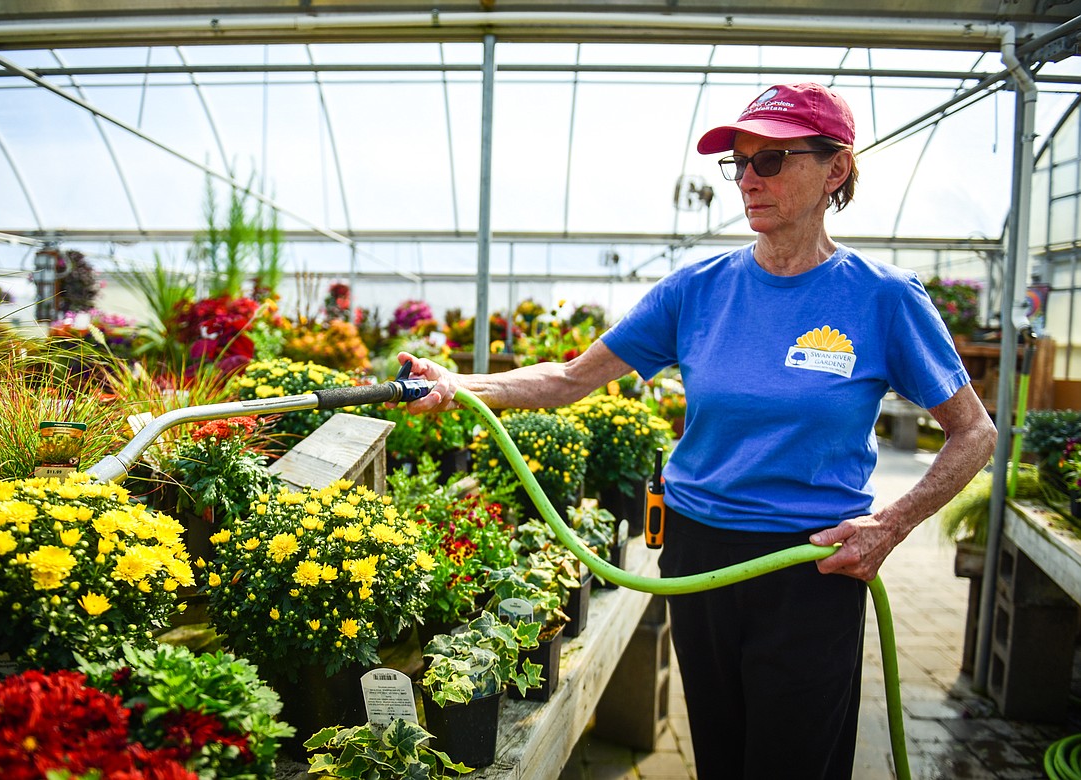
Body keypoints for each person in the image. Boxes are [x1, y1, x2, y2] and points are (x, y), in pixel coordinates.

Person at [399, 82, 996, 779]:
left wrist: (889, 526)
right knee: (719, 749)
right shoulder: (698, 289)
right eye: (738, 164)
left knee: (793, 760)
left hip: (811, 565)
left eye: (770, 161)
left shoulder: (883, 298)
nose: (747, 180)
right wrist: (460, 384)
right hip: (699, 551)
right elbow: (570, 378)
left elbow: (974, 433)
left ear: (835, 170)